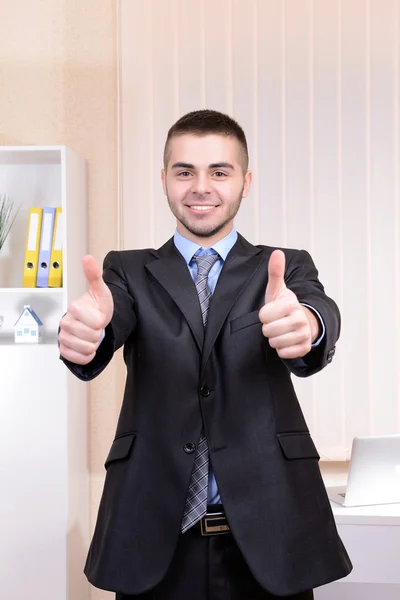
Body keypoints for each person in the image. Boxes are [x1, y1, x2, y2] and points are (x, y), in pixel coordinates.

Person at [58, 109, 352, 600]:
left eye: (219, 171)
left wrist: (309, 325)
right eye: (184, 171)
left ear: (245, 181)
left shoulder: (283, 267)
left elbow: (315, 311)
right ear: (164, 179)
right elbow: (107, 322)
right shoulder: (128, 272)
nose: (201, 186)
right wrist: (89, 335)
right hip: (155, 537)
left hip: (268, 535)